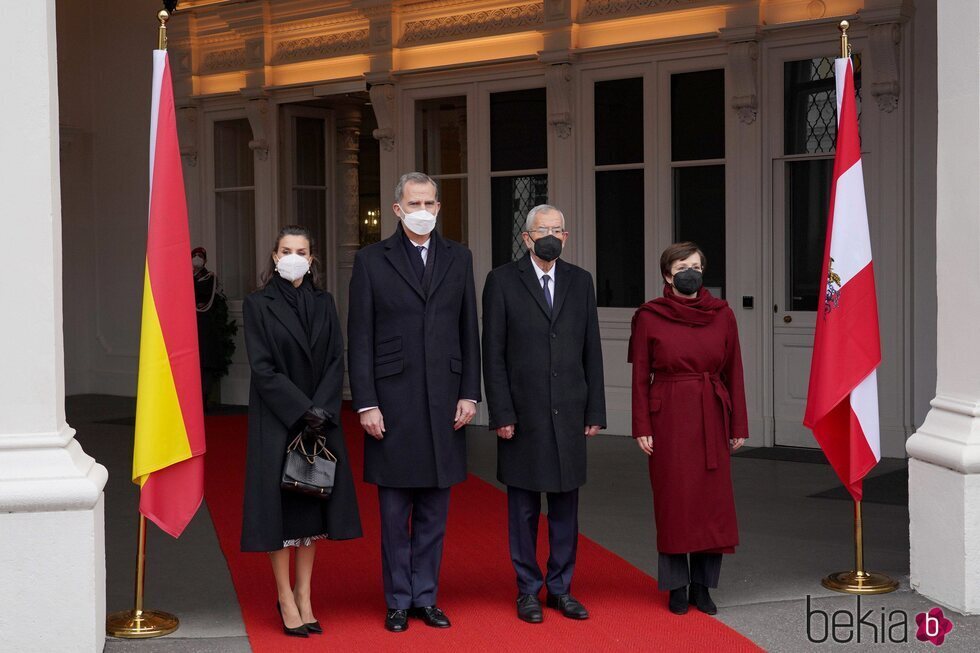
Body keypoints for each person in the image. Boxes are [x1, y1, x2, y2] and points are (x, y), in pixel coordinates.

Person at [348, 172, 481, 633]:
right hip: (393, 401)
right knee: (393, 512)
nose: (422, 208)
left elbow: (469, 330)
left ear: (439, 207)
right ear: (397, 209)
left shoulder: (459, 258)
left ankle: (426, 596)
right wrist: (366, 403)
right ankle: (398, 600)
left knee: (434, 511)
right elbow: (359, 337)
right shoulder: (371, 260)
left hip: (445, 401)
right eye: (413, 201)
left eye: (429, 201)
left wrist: (469, 391)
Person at [482, 205, 605, 624]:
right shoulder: (501, 281)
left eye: (557, 230)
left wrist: (595, 410)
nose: (550, 236)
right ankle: (527, 591)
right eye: (542, 230)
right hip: (522, 414)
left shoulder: (580, 281)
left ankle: (561, 588)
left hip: (569, 411)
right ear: (526, 237)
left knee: (566, 508)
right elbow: (492, 354)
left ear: (566, 238)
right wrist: (501, 412)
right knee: (523, 510)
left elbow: (592, 349)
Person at [241, 225, 362, 638]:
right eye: (286, 250)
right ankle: (284, 597)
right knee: (278, 510)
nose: (294, 256)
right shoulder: (258, 304)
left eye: (302, 251)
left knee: (311, 507)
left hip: (320, 420)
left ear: (312, 260)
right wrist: (300, 409)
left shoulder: (324, 301)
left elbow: (334, 359)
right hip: (278, 419)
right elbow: (262, 368)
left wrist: (322, 409)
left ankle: (305, 593)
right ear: (275, 257)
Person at [628, 241, 748, 616]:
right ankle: (677, 586)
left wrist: (738, 423)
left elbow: (734, 372)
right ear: (668, 274)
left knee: (711, 505)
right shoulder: (649, 315)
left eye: (696, 265)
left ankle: (703, 586)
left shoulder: (723, 314)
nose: (690, 272)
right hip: (668, 416)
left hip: (712, 411)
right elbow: (638, 377)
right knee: (675, 503)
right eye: (682, 266)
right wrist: (641, 426)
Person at [191, 247, 236, 407]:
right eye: (194, 256)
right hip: (191, 327)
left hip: (204, 325)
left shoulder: (208, 277)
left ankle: (203, 399)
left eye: (200, 256)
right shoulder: (187, 276)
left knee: (206, 363)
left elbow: (202, 295)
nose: (197, 258)